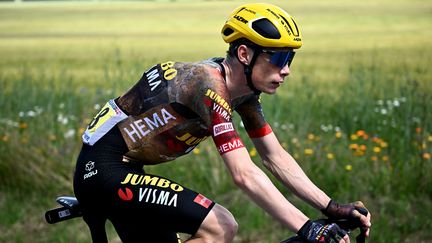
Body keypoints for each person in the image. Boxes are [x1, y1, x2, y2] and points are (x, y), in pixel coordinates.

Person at [73, 3, 371, 243]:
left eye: (290, 59)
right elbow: (242, 173)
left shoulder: (242, 95)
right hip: (104, 171)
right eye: (279, 58)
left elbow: (274, 156)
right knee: (221, 226)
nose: (287, 70)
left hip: (125, 172)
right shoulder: (208, 84)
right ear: (245, 54)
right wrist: (307, 228)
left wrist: (330, 207)